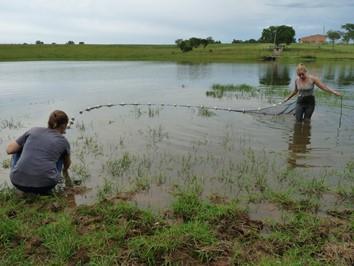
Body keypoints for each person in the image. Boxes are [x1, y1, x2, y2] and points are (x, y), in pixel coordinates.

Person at [6, 110, 72, 194]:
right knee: (61, 155)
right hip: (46, 185)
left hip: (17, 183)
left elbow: (9, 150)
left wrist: (25, 145)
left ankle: (22, 179)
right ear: (64, 126)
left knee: (17, 149)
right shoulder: (64, 141)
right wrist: (65, 171)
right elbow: (67, 164)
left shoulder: (34, 130)